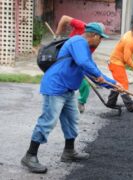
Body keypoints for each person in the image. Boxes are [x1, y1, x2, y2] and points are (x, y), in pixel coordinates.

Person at [21, 22, 123, 173]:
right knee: (48, 121)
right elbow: (85, 64)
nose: (100, 41)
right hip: (55, 87)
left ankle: (69, 152)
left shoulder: (84, 49)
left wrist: (113, 85)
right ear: (94, 36)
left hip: (68, 90)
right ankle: (30, 155)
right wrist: (99, 76)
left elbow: (90, 71)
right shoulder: (78, 42)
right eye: (100, 38)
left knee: (72, 120)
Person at [55, 15, 93, 113]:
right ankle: (60, 102)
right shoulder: (82, 26)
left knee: (84, 85)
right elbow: (64, 18)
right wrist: (57, 35)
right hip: (66, 56)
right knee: (66, 80)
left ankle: (80, 102)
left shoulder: (94, 41)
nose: (100, 39)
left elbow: (87, 59)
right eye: (99, 36)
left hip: (77, 60)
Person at [105, 23, 133, 112]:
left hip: (116, 62)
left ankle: (111, 102)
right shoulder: (129, 41)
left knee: (118, 83)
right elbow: (127, 58)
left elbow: (128, 56)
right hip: (116, 63)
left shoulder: (131, 36)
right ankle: (130, 105)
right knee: (123, 83)